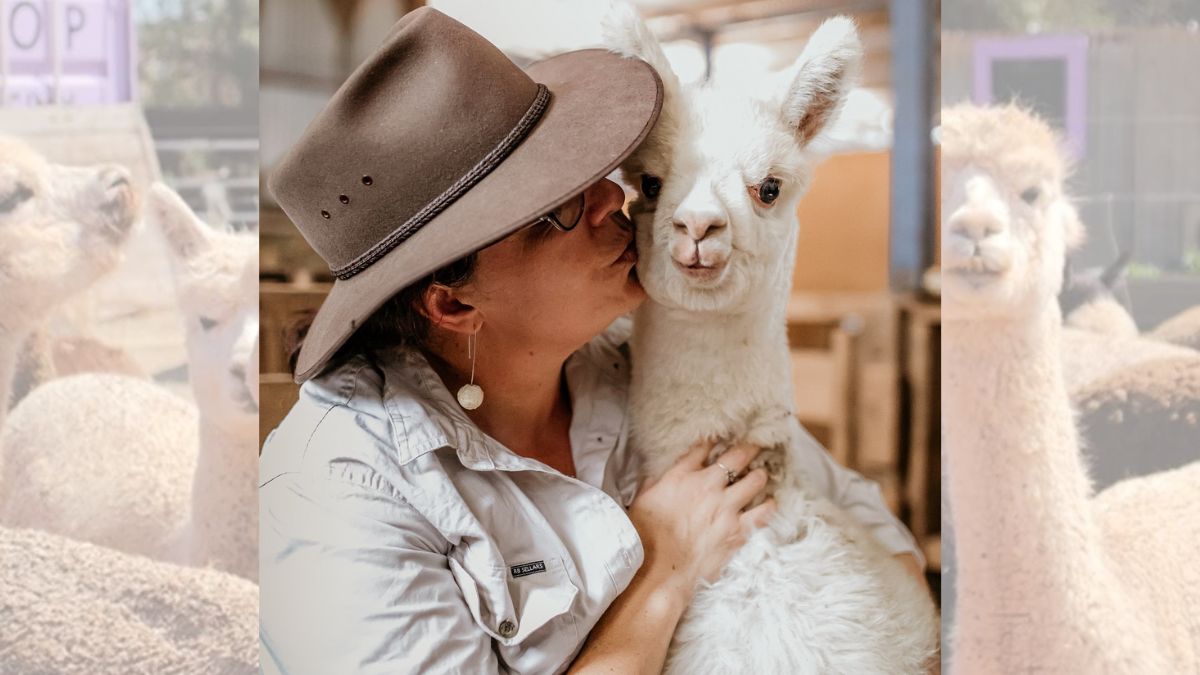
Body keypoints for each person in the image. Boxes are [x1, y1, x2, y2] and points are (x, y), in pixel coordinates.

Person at [260, 8, 925, 674]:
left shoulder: (632, 360)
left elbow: (872, 531)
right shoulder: (341, 490)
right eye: (558, 209)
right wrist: (663, 565)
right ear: (454, 301)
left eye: (597, 172)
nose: (616, 202)